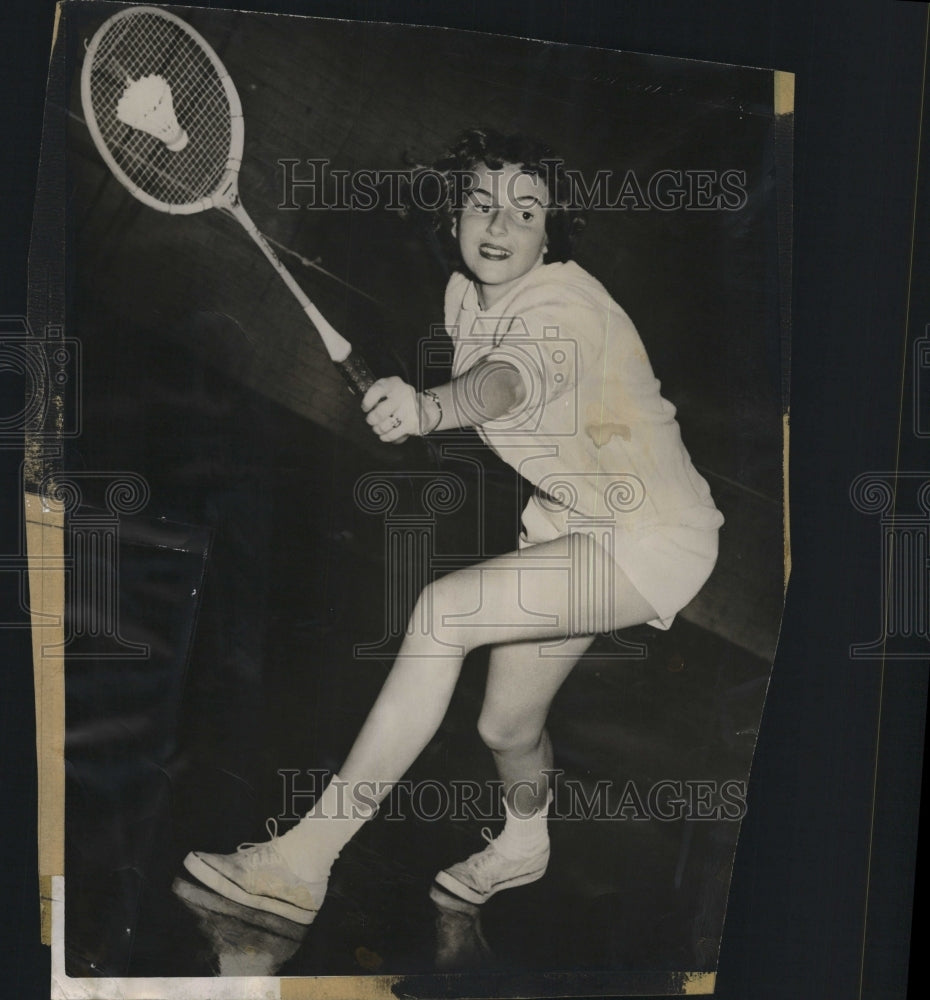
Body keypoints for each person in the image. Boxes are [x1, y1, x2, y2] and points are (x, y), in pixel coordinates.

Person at [183, 128, 724, 926]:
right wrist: (425, 407)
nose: (499, 226)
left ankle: (301, 863)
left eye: (526, 211)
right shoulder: (462, 296)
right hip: (574, 523)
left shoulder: (564, 307)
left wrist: (432, 407)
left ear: (552, 231)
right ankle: (523, 846)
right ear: (456, 213)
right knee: (506, 724)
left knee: (444, 613)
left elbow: (510, 380)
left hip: (654, 533)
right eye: (482, 203)